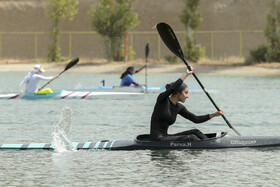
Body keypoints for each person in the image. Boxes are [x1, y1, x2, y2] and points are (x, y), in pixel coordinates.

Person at [150, 66, 224, 141]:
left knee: (195, 132)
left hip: (165, 136)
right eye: (186, 93)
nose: (187, 96)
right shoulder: (162, 99)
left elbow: (196, 119)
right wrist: (186, 74)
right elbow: (172, 88)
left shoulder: (179, 107)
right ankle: (207, 146)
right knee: (191, 137)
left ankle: (210, 143)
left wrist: (214, 114)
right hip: (157, 139)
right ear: (177, 93)